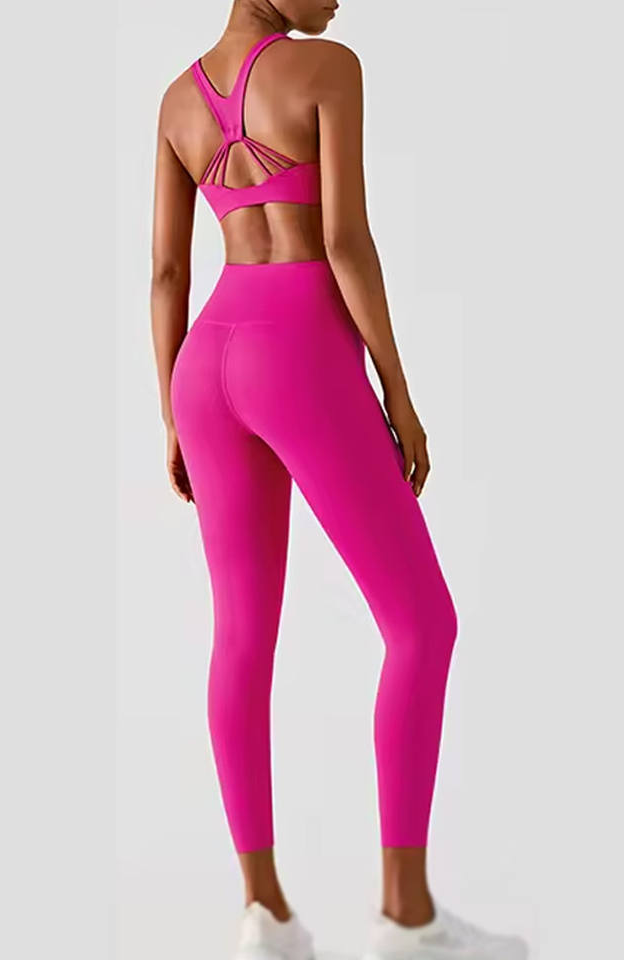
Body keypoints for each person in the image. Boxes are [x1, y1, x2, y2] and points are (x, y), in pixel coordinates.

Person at [150, 3, 527, 959]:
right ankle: (405, 915)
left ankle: (264, 914)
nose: (340, 0)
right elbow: (346, 240)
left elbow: (166, 274)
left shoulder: (177, 102)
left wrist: (170, 414)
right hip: (298, 349)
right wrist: (398, 390)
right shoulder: (327, 70)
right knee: (422, 624)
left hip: (205, 362)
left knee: (241, 635)